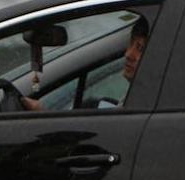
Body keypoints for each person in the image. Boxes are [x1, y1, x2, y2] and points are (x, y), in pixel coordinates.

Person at [21, 15, 150, 111]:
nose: (128, 54)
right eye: (131, 44)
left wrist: (43, 115)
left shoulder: (145, 106)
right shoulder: (139, 101)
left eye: (140, 48)